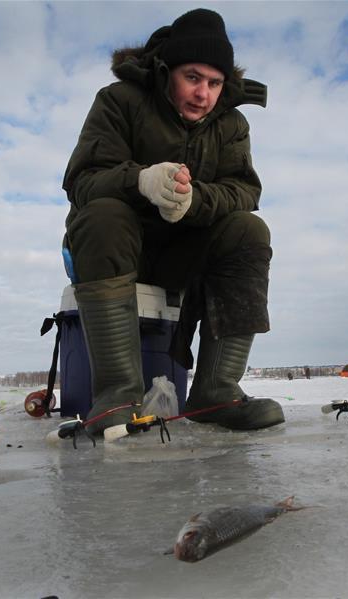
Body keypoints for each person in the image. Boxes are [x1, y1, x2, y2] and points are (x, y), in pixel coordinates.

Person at [62, 8, 283, 435]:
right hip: (113, 250)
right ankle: (117, 398)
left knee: (249, 230)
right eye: (193, 77)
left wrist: (195, 200)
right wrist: (140, 180)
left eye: (214, 83)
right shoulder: (118, 100)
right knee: (104, 214)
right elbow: (81, 181)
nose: (203, 94)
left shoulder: (233, 125)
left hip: (182, 257)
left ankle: (215, 392)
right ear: (167, 71)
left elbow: (244, 191)